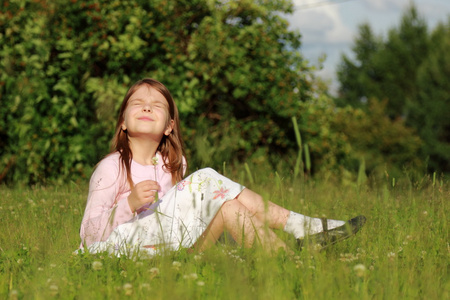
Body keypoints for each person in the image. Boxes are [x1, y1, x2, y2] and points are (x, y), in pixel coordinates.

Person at [79, 78, 366, 256]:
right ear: (123, 122)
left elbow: (185, 223)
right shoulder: (112, 167)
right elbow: (88, 236)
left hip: (167, 252)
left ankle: (287, 264)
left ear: (169, 127)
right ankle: (300, 225)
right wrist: (128, 204)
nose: (146, 107)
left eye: (156, 105)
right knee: (207, 179)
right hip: (120, 251)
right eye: (137, 103)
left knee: (226, 206)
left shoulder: (172, 165)